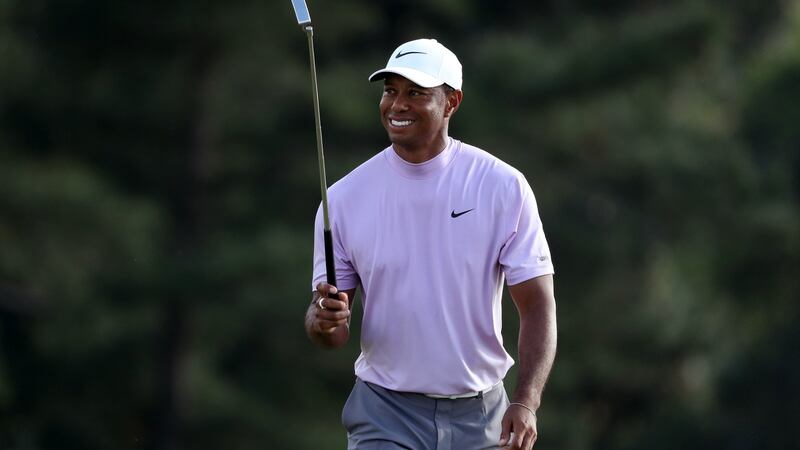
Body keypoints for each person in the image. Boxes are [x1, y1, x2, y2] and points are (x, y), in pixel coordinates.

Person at [304, 38, 557, 450]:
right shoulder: (343, 200)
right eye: (390, 91)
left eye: (416, 93)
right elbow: (332, 330)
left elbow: (537, 305)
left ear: (452, 102)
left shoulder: (502, 186)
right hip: (385, 414)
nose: (397, 105)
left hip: (482, 416)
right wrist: (323, 319)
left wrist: (526, 402)